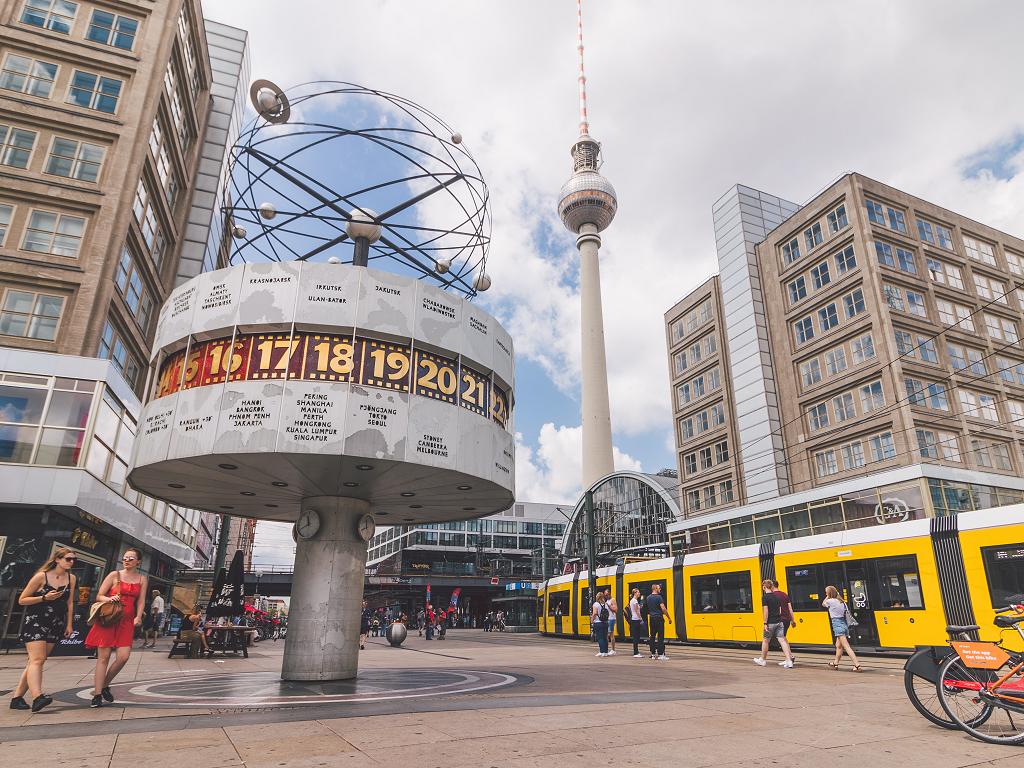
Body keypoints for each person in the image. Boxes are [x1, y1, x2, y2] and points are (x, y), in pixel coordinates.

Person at [10, 548, 77, 712]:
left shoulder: (72, 578)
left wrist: (69, 624)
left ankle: (17, 698)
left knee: (36, 661)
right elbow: (22, 600)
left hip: (55, 623)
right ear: (57, 559)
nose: (72, 562)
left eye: (74, 560)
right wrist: (44, 597)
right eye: (68, 559)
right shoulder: (42, 576)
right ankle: (37, 697)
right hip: (36, 621)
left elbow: (69, 603)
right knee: (37, 660)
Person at [85, 547, 148, 708]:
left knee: (123, 657)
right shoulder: (114, 575)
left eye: (131, 558)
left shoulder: (142, 579)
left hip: (126, 621)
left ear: (138, 562)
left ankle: (105, 684)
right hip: (109, 619)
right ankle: (97, 694)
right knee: (103, 658)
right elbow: (99, 595)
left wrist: (138, 616)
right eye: (125, 558)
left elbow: (140, 601)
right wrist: (109, 598)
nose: (127, 560)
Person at [754, 579, 794, 668]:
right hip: (779, 622)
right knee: (782, 640)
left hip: (770, 622)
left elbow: (766, 611)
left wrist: (765, 623)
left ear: (764, 587)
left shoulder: (765, 597)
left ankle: (763, 660)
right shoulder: (776, 596)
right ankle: (789, 660)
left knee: (765, 640)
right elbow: (780, 609)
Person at [823, 586, 862, 672]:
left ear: (829, 593)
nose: (825, 593)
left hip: (837, 624)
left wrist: (828, 596)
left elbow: (823, 603)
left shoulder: (830, 601)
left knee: (846, 646)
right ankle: (835, 663)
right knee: (838, 646)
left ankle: (857, 665)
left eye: (826, 592)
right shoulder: (841, 601)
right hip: (843, 624)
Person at [771, 580, 797, 664]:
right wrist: (792, 620)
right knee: (784, 638)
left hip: (779, 620)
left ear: (772, 586)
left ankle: (788, 659)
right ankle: (790, 657)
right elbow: (790, 609)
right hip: (787, 620)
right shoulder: (784, 594)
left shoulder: (772, 596)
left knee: (781, 639)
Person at [645, 584, 672, 659]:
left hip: (651, 618)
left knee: (652, 636)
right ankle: (661, 654)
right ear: (655, 589)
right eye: (659, 588)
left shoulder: (648, 598)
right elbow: (663, 608)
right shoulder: (659, 597)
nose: (660, 589)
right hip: (659, 618)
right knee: (660, 636)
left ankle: (653, 653)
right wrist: (669, 617)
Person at [627, 587, 646, 658]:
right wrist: (641, 619)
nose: (639, 593)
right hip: (636, 620)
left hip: (634, 619)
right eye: (638, 592)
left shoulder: (633, 601)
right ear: (635, 593)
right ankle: (636, 652)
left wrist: (640, 607)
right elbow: (637, 611)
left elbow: (635, 610)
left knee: (636, 637)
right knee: (636, 637)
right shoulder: (634, 601)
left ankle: (636, 652)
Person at [591, 592, 610, 657]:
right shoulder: (606, 604)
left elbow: (594, 613)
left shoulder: (596, 604)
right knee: (605, 638)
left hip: (598, 623)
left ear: (597, 597)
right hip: (605, 623)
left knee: (600, 638)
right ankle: (606, 652)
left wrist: (592, 620)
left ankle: (602, 652)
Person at [604, 588, 618, 656]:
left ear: (610, 594)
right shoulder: (607, 600)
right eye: (605, 595)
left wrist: (609, 606)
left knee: (610, 634)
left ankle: (613, 650)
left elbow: (615, 610)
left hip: (611, 619)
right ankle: (607, 649)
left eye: (607, 594)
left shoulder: (613, 600)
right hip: (607, 619)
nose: (606, 596)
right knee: (607, 634)